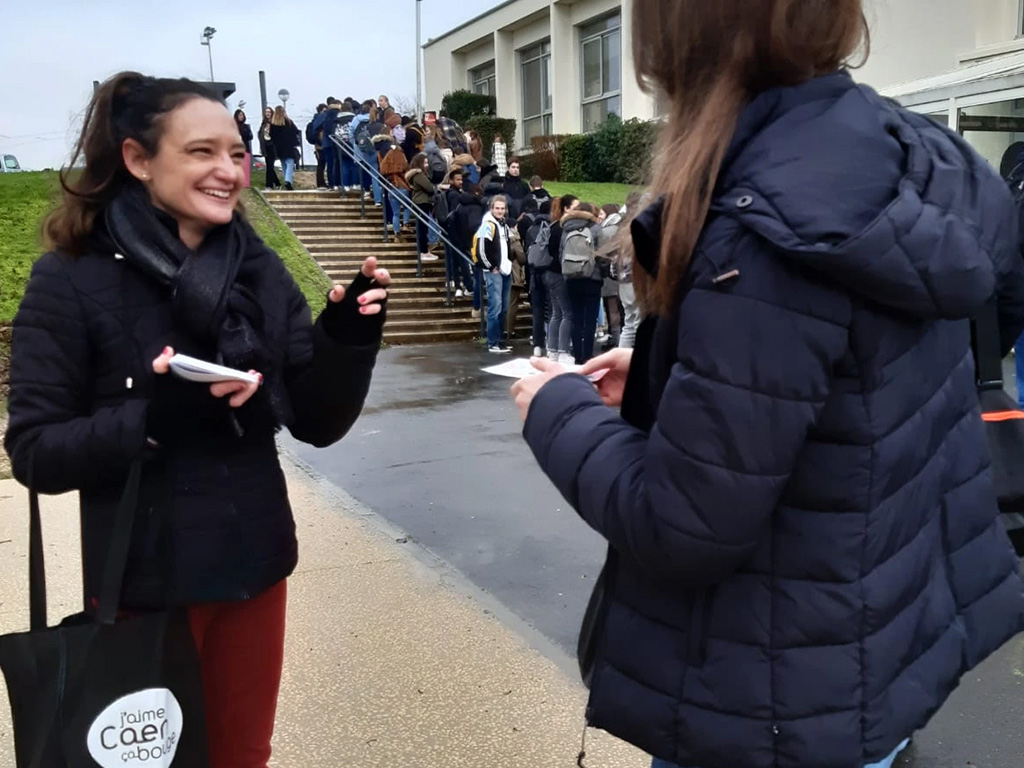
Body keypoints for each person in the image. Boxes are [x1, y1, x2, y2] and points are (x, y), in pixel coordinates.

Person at [510, 1, 1024, 767]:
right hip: (869, 661)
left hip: (765, 700)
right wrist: (664, 372)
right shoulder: (903, 162)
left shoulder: (759, 218)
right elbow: (854, 383)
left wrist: (557, 411)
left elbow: (685, 524)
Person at [4, 71, 391, 768]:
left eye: (237, 153)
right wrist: (153, 419)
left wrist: (346, 338)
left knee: (242, 756)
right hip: (143, 590)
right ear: (137, 159)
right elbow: (34, 450)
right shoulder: (70, 278)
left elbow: (314, 419)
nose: (229, 170)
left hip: (254, 569)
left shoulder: (258, 269)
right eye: (201, 152)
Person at [559, 202, 603, 363]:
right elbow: (602, 254)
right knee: (590, 319)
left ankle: (577, 356)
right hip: (593, 278)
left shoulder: (566, 228)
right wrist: (602, 273)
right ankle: (588, 355)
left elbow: (561, 253)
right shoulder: (596, 229)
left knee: (576, 318)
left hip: (571, 278)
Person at [475, 195, 513, 353]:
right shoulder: (487, 225)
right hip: (494, 271)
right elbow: (481, 249)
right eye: (497, 208)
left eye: (502, 208)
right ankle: (493, 342)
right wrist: (490, 267)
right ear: (491, 208)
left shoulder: (503, 224)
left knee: (503, 307)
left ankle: (499, 340)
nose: (500, 211)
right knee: (495, 307)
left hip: (505, 269)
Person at [544, 194, 578, 364]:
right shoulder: (565, 228)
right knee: (567, 313)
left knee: (556, 313)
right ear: (566, 208)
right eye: (575, 207)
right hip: (559, 274)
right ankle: (563, 350)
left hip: (549, 273)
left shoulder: (553, 226)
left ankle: (552, 349)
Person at [406, 153, 439, 262]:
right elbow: (429, 188)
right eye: (424, 162)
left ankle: (425, 250)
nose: (427, 165)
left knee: (424, 227)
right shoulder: (419, 175)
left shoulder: (419, 174)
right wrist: (435, 187)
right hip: (422, 202)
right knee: (423, 228)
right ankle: (423, 251)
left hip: (421, 201)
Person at [269, 106, 300, 191]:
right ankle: (288, 181)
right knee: (290, 163)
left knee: (283, 164)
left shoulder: (273, 124)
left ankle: (286, 180)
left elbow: (271, 135)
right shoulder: (289, 122)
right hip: (289, 146)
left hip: (279, 147)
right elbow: (296, 131)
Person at [257, 106, 280, 189]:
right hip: (265, 146)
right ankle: (277, 183)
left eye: (269, 112)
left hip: (272, 147)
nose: (267, 114)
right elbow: (260, 134)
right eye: (266, 112)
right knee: (269, 166)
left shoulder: (274, 123)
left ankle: (269, 185)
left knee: (270, 166)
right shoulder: (263, 123)